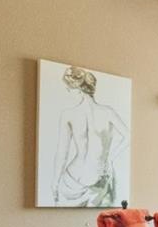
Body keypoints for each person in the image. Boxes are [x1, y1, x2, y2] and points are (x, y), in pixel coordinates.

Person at [51, 66, 129, 206]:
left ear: (79, 90)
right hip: (95, 180)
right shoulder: (108, 112)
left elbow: (62, 153)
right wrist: (110, 158)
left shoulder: (68, 115)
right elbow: (128, 137)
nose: (68, 91)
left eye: (69, 89)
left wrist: (55, 183)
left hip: (75, 179)